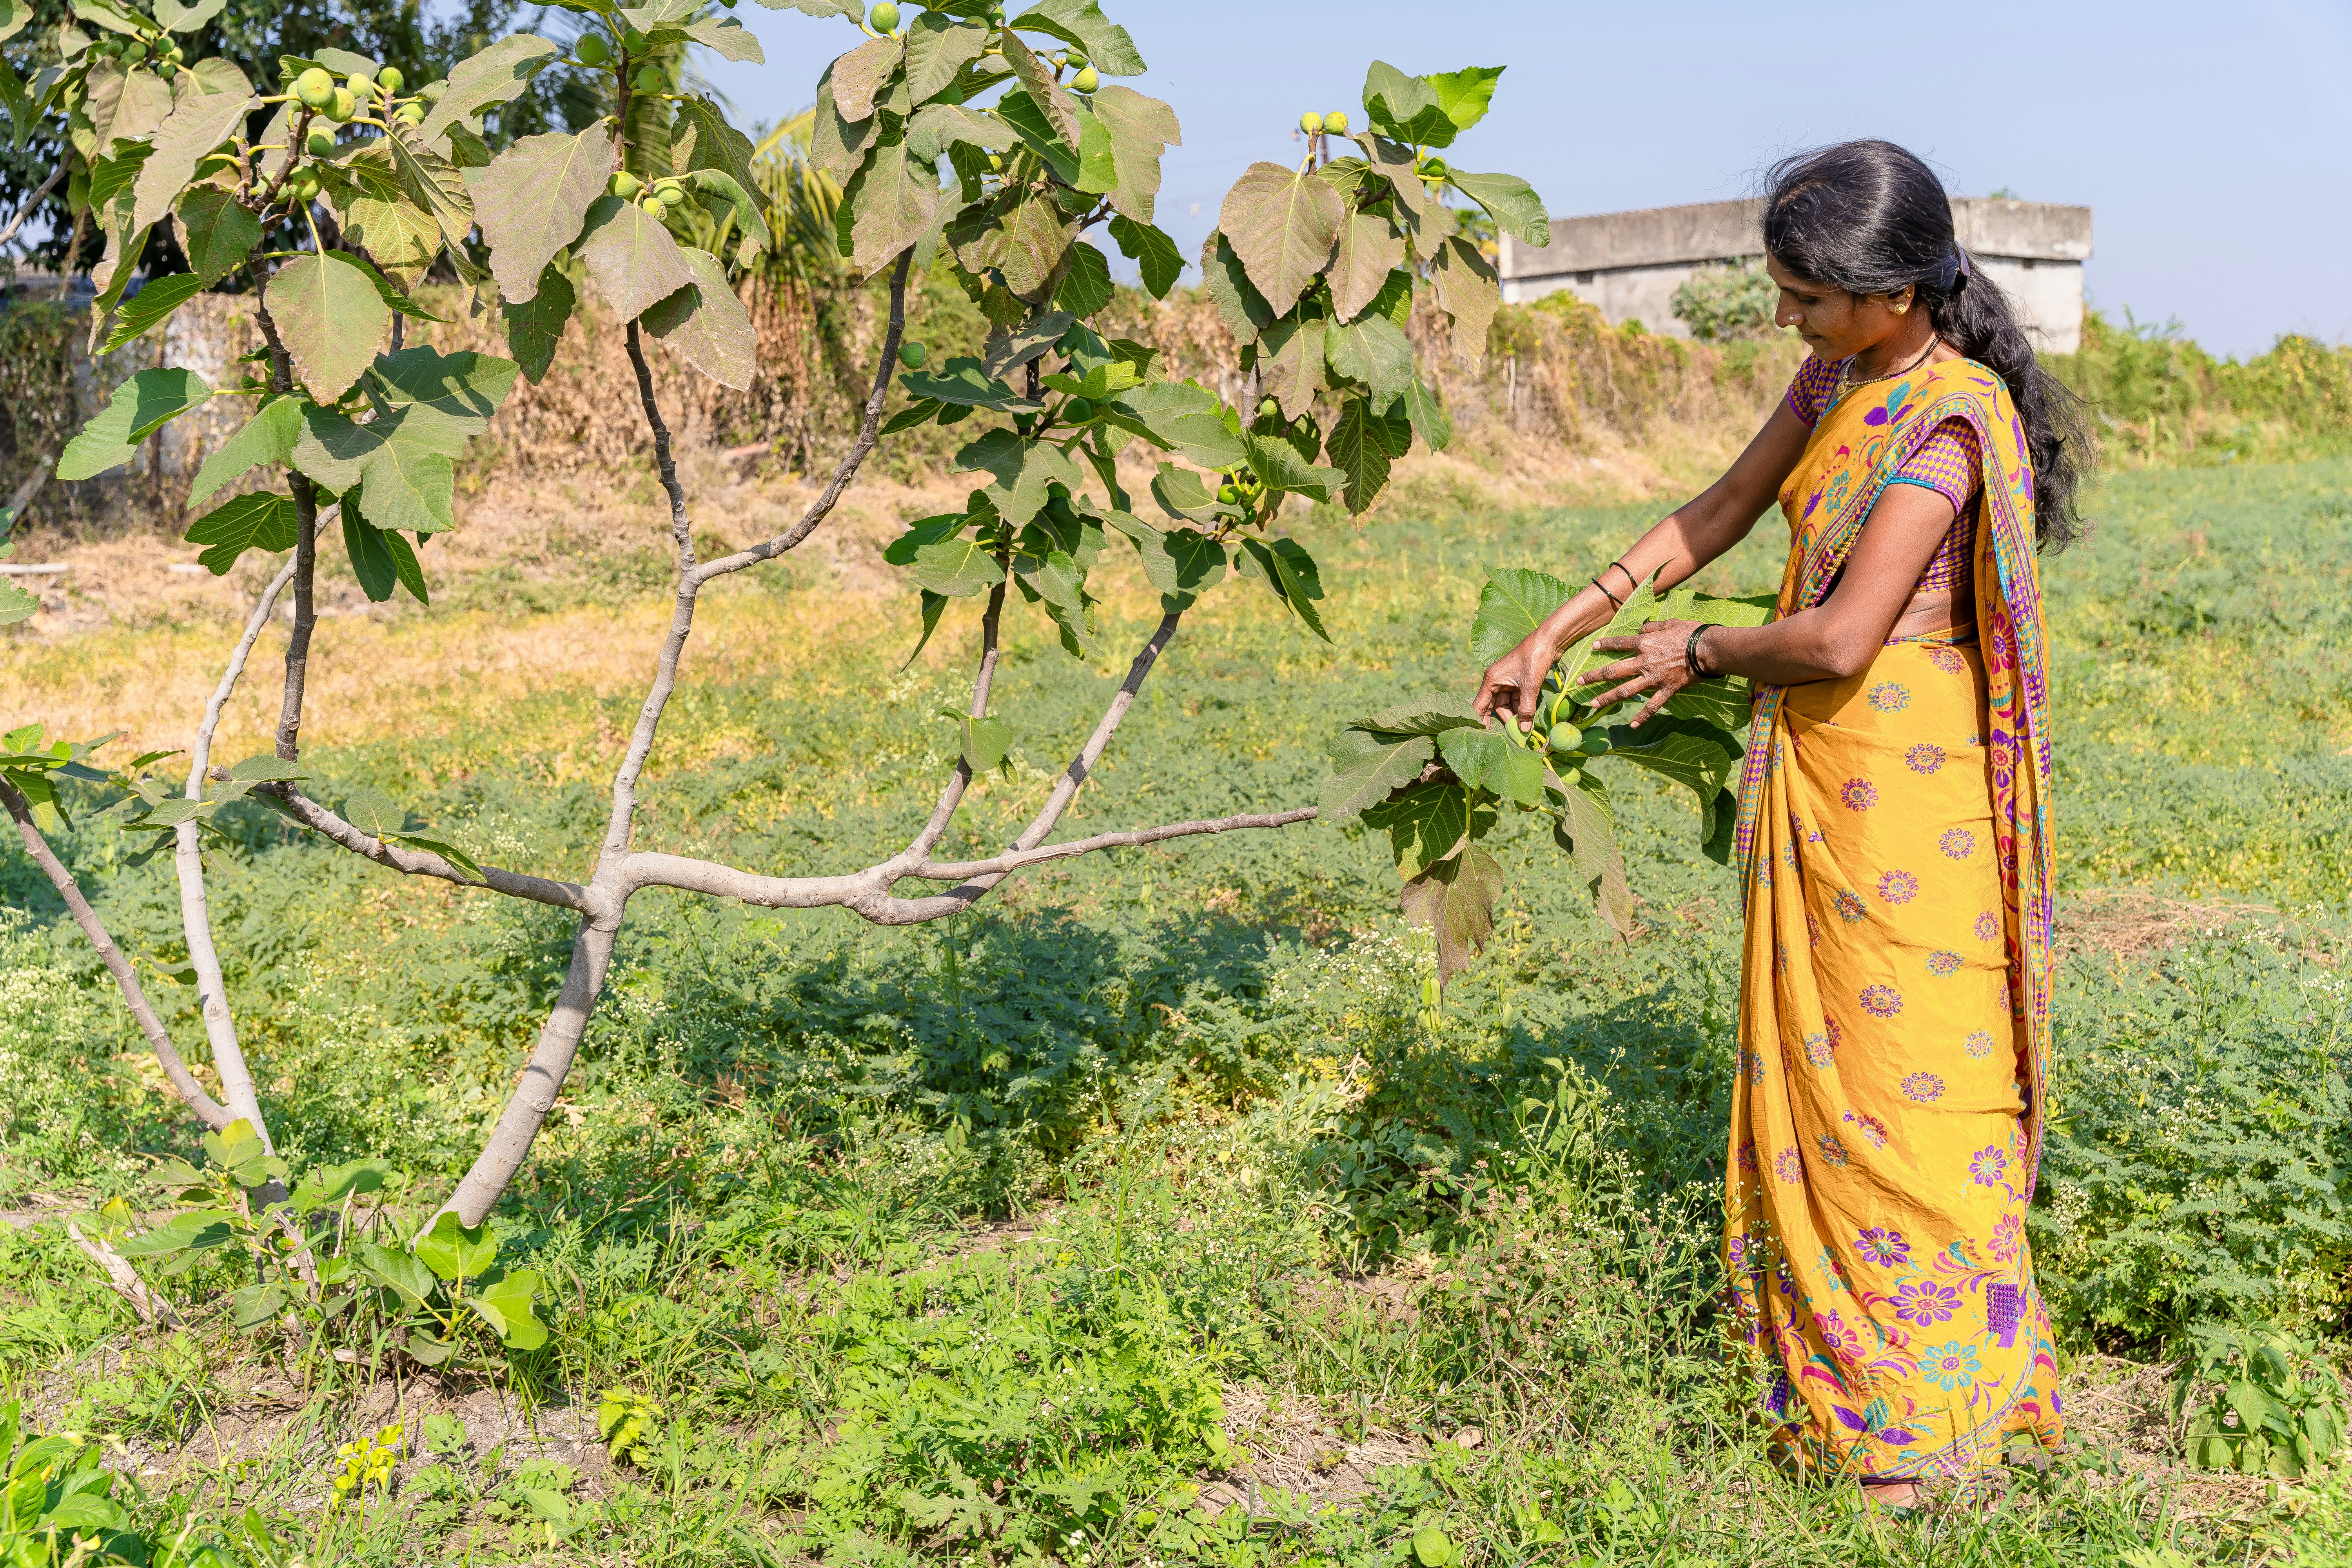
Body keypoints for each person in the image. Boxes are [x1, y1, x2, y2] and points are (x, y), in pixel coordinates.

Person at [1472, 140, 2090, 1506]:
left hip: (1904, 789)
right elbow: (1723, 508)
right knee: (1830, 1078)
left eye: (1806, 299)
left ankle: (1934, 1418)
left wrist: (1698, 653)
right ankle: (1841, 1391)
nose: (1786, 322)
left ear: (1894, 292)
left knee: (1910, 1090)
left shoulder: (1949, 419)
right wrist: (1561, 622)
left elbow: (1845, 633)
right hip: (1820, 765)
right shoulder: (1841, 377)